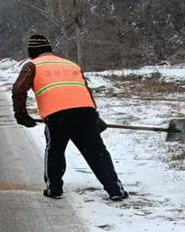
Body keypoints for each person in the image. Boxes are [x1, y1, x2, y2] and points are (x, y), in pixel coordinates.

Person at [12, 34, 128, 201]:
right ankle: (115, 190)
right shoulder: (71, 64)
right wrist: (94, 115)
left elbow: (18, 90)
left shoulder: (32, 65)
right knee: (97, 152)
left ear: (31, 52)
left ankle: (55, 189)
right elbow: (85, 89)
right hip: (85, 112)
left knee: (55, 151)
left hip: (57, 115)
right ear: (50, 49)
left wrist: (22, 116)